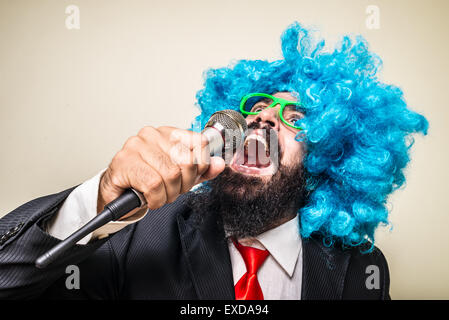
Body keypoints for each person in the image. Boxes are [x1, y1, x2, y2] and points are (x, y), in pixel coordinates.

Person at [0, 22, 428, 300]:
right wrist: (98, 198)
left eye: (294, 118)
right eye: (257, 107)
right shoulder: (137, 237)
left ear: (330, 157)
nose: (263, 118)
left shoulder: (361, 271)